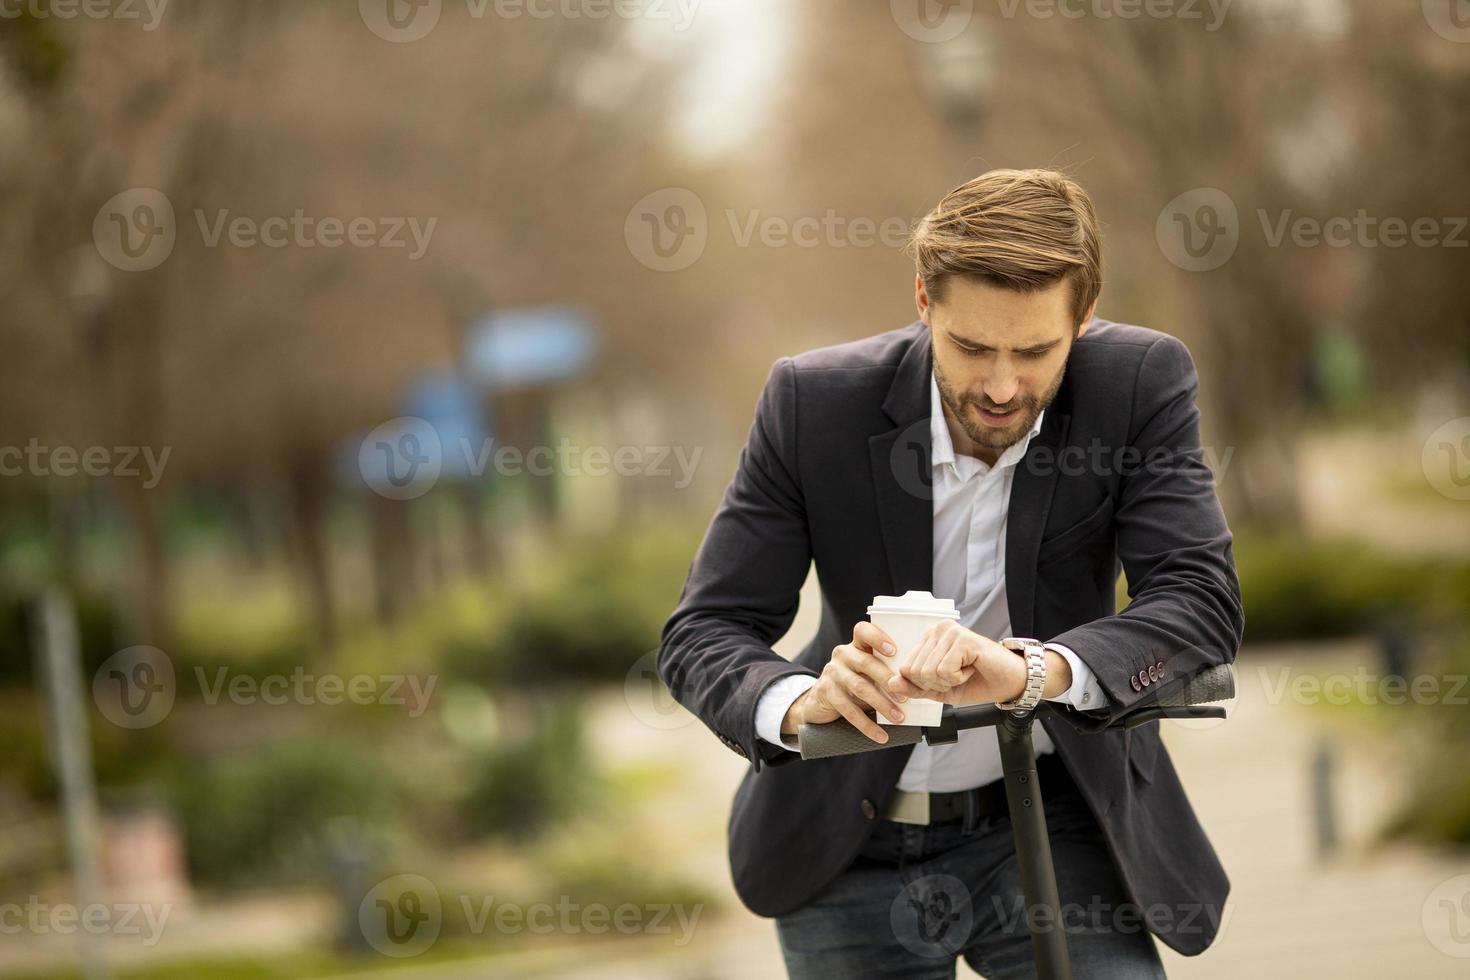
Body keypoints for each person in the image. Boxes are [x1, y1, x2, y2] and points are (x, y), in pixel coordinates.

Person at [658, 168, 1244, 979]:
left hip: (1057, 816)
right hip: (844, 844)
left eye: (1036, 351)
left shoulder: (1138, 385)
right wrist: (803, 705)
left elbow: (1199, 601)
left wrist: (1032, 672)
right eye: (971, 347)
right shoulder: (813, 403)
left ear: (1086, 314)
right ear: (925, 303)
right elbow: (703, 629)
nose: (1003, 386)